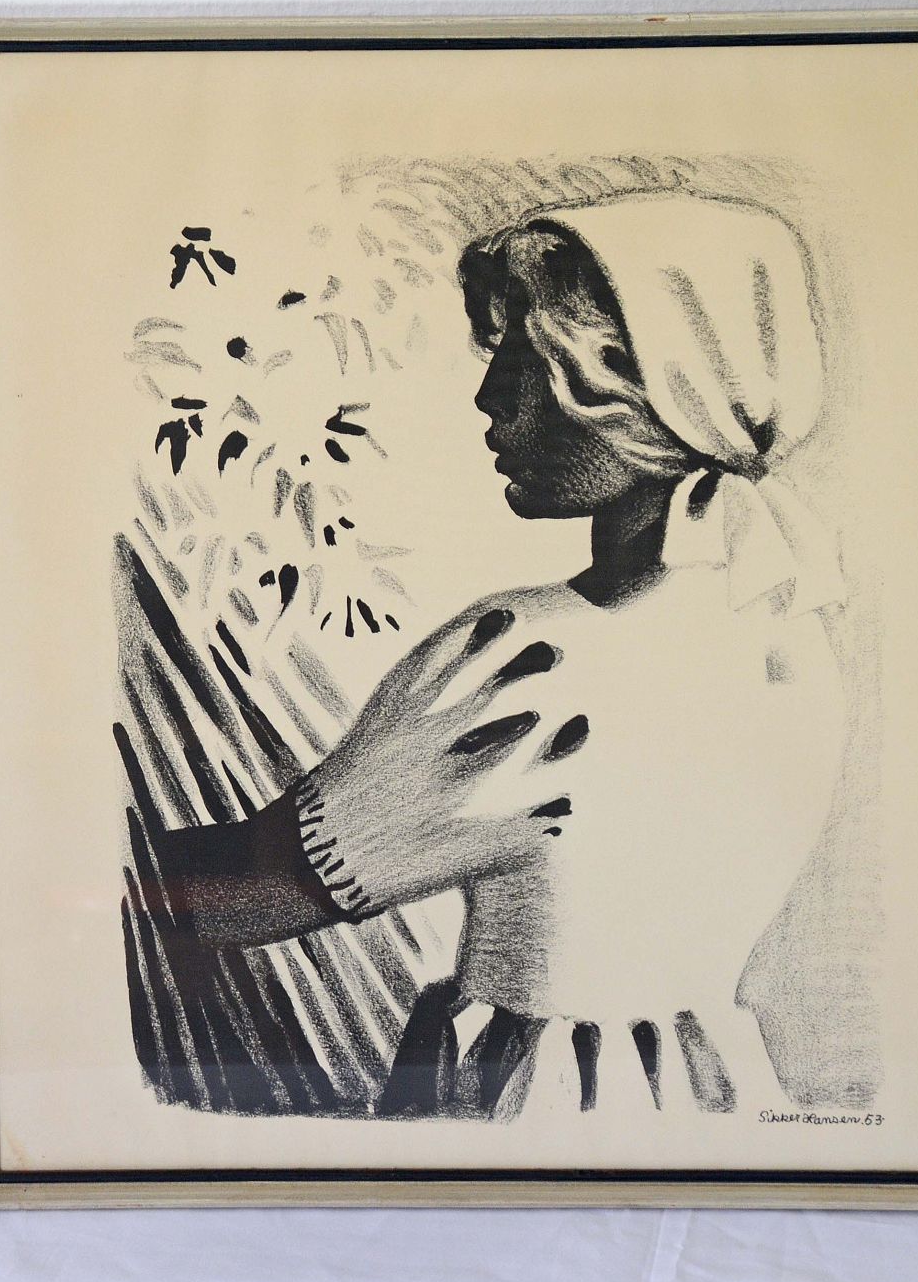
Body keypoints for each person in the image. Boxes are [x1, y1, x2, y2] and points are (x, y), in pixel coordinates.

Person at [157, 190, 848, 1121]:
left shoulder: (523, 656)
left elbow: (247, 898)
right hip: (705, 1092)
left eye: (525, 365)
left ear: (640, 391)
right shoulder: (791, 631)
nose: (489, 398)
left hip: (533, 1104)